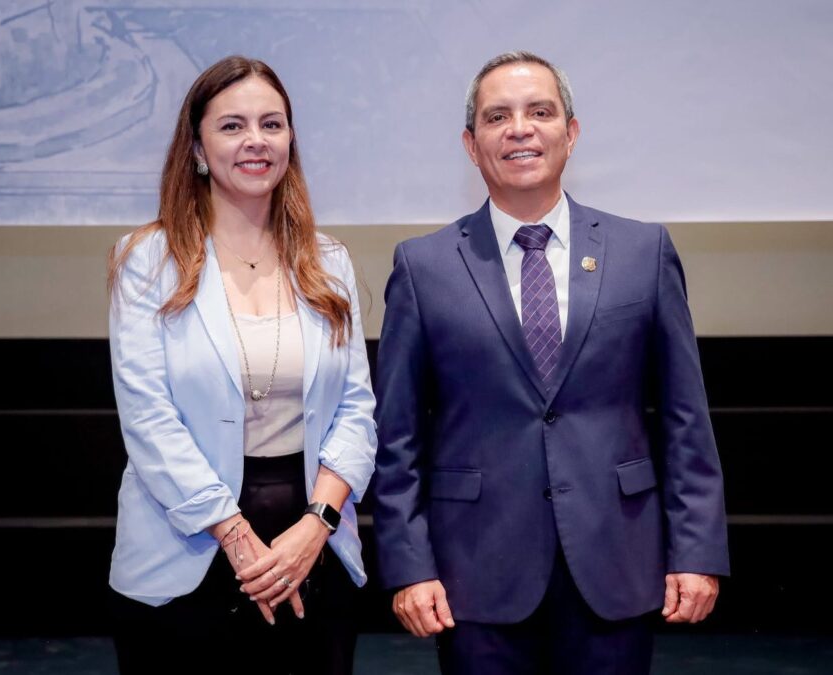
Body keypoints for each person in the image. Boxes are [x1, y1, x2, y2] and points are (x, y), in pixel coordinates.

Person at [372, 50, 730, 674]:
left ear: (571, 132)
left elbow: (685, 418)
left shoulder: (642, 251)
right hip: (474, 574)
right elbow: (396, 436)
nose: (520, 129)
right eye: (497, 116)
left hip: (615, 561)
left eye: (540, 111)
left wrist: (696, 549)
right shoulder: (422, 267)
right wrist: (409, 565)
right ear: (470, 142)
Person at [106, 55, 376, 675]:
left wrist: (319, 524)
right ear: (197, 148)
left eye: (271, 124)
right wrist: (234, 532)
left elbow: (357, 411)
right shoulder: (146, 261)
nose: (255, 140)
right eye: (232, 126)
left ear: (289, 141)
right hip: (187, 546)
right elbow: (148, 420)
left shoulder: (328, 261)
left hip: (314, 541)